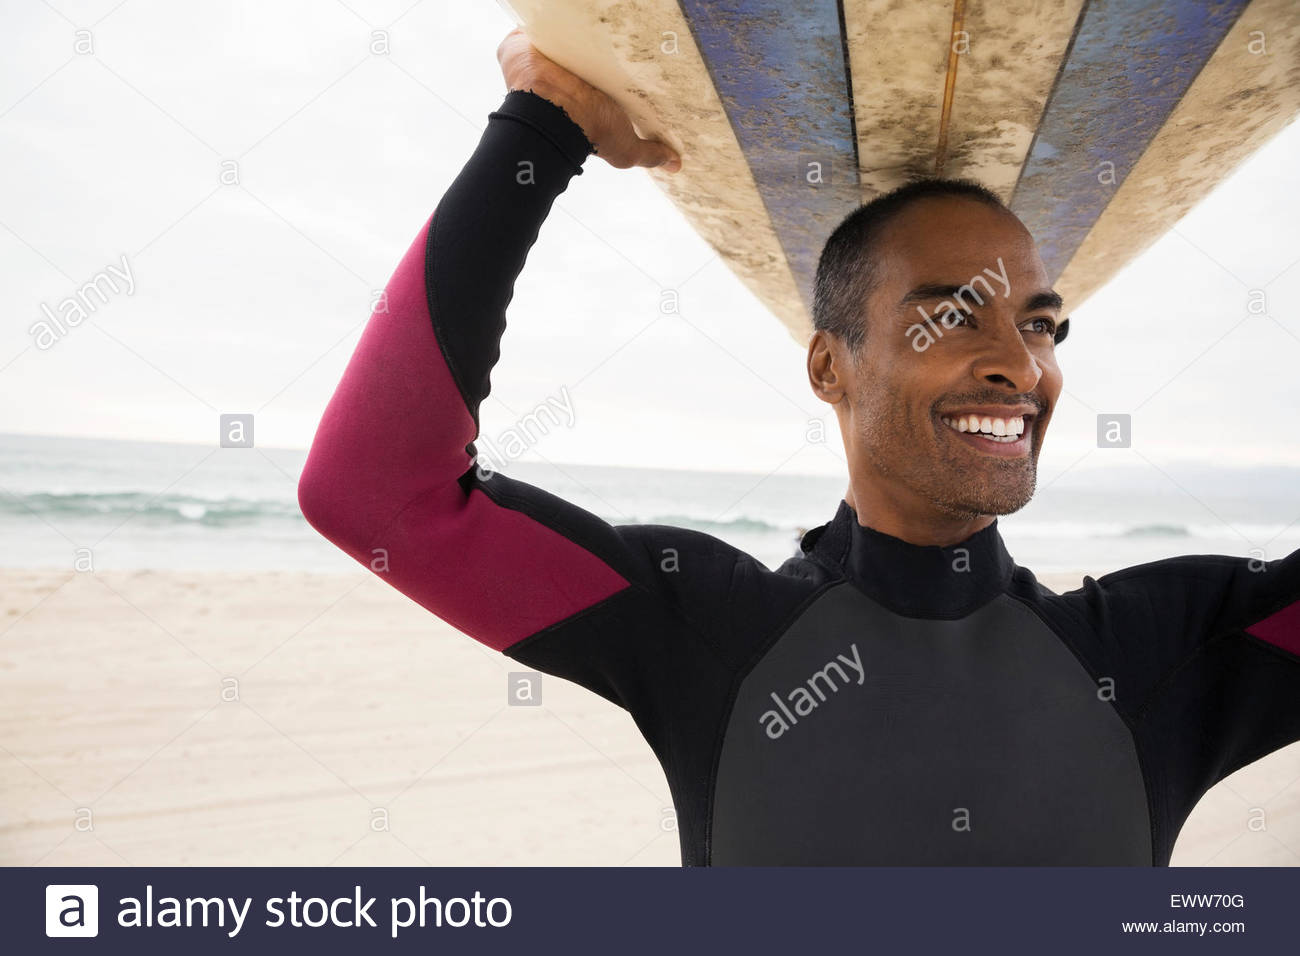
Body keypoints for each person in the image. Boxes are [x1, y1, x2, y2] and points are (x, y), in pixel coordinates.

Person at [297, 29, 1300, 866]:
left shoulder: (1168, 651)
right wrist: (542, 124)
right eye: (954, 316)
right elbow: (375, 491)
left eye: (1042, 324)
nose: (1020, 365)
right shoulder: (705, 628)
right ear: (830, 366)